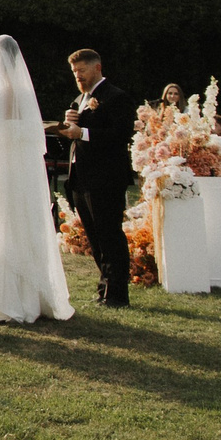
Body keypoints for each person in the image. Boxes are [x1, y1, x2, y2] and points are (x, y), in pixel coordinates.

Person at [0, 37, 74, 324]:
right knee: (26, 226)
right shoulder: (28, 97)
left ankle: (5, 299)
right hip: (25, 175)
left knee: (3, 227)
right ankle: (36, 298)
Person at [55, 47, 136, 308]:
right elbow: (75, 136)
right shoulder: (80, 99)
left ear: (97, 68)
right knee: (94, 236)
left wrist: (83, 133)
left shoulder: (116, 97)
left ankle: (117, 294)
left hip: (106, 177)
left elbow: (120, 135)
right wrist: (66, 126)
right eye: (74, 72)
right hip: (81, 176)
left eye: (82, 70)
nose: (77, 76)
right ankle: (104, 287)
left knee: (110, 234)